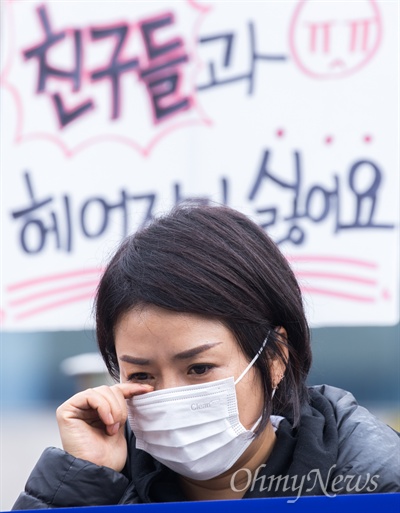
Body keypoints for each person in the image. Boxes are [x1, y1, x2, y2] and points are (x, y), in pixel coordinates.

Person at [13, 203, 400, 508]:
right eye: (141, 376)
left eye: (199, 368)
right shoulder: (102, 477)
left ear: (275, 357)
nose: (170, 394)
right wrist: (83, 480)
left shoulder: (375, 483)